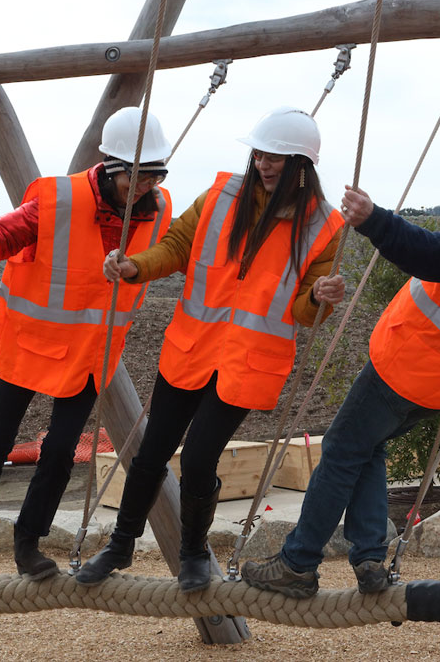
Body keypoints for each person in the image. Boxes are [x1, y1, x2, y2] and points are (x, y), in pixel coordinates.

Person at [242, 93, 440, 598]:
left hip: (413, 361)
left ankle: (298, 563)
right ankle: (370, 559)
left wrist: (376, 220)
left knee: (341, 449)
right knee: (364, 448)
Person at [75, 107, 346, 592]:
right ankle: (119, 546)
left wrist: (320, 299)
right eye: (259, 154)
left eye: (276, 159)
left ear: (303, 165)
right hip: (192, 349)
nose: (263, 164)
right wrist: (135, 266)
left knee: (199, 458)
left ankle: (194, 554)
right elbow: (176, 247)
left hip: (248, 362)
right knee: (150, 453)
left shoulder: (325, 225)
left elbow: (307, 311)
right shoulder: (220, 197)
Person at [0, 107, 174, 583]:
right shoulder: (59, 199)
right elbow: (9, 230)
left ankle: (27, 542)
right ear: (111, 166)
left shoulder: (158, 211)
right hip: (29, 345)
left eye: (154, 175)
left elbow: (172, 252)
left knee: (60, 451)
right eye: (136, 177)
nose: (144, 186)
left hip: (88, 353)